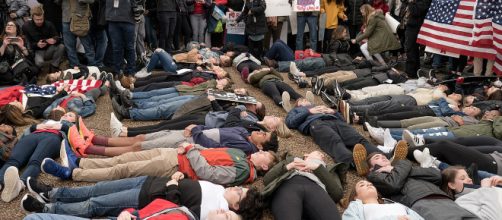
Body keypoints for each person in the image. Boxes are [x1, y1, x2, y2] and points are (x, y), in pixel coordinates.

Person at [21, 172, 264, 219]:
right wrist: (178, 178)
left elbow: (177, 210)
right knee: (97, 188)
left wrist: (171, 187)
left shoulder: (217, 211)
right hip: (150, 182)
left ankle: (47, 211)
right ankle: (53, 193)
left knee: (95, 205)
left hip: (146, 199)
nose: (237, 188)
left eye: (240, 194)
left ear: (238, 207)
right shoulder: (221, 192)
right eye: (240, 187)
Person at [41, 142, 278, 186]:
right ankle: (82, 161)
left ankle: (72, 174)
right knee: (124, 159)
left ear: (264, 167)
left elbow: (208, 173)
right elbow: (211, 151)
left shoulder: (244, 171)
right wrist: (192, 147)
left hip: (177, 166)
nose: (260, 152)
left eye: (264, 156)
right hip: (176, 153)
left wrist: (191, 149)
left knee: (124, 170)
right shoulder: (241, 154)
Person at [362, 151, 479, 220]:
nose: (382, 157)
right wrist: (403, 164)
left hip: (446, 199)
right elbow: (393, 184)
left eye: (384, 156)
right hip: (422, 201)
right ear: (371, 167)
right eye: (377, 158)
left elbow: (437, 176)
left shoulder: (400, 168)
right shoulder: (374, 175)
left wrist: (395, 168)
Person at [0, 112, 76, 202]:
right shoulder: (47, 121)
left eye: (70, 115)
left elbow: (75, 137)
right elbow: (24, 133)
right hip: (33, 136)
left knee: (35, 161)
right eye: (65, 114)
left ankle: (19, 185)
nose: (66, 115)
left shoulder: (71, 126)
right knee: (13, 160)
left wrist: (63, 127)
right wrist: (34, 127)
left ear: (74, 121)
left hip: (53, 137)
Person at [263, 151, 347, 220]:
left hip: (316, 190)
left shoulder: (329, 171)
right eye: (318, 153)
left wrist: (317, 168)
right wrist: (291, 166)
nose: (323, 155)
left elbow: (337, 194)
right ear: (306, 155)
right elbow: (267, 179)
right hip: (289, 185)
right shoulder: (291, 160)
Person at [342, 180, 424, 219]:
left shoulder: (396, 204)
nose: (368, 185)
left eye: (370, 184)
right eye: (362, 185)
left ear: (377, 195)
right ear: (355, 197)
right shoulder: (355, 208)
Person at [22, 5, 65, 71]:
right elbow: (27, 44)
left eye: (41, 19)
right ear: (32, 17)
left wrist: (54, 40)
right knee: (39, 63)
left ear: (43, 16)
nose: (39, 21)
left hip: (49, 48)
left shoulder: (49, 24)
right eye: (37, 20)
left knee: (61, 46)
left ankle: (54, 66)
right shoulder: (26, 26)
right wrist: (37, 45)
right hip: (37, 51)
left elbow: (58, 37)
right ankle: (38, 68)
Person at [0, 85, 69, 125]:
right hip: (51, 98)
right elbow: (46, 104)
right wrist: (63, 92)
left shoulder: (27, 111)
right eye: (15, 102)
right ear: (18, 110)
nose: (15, 100)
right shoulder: (31, 111)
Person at [105, 0, 136, 86]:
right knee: (116, 48)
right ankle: (117, 72)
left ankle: (130, 72)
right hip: (112, 18)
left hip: (128, 18)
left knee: (129, 47)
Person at [61, 0, 96, 68]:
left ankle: (93, 68)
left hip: (81, 18)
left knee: (88, 46)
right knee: (69, 47)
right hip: (67, 19)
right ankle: (75, 68)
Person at [0, 20, 33, 85]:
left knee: (33, 69)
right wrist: (3, 45)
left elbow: (30, 56)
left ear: (16, 29)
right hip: (6, 66)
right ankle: (21, 81)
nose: (9, 26)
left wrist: (22, 47)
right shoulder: (1, 40)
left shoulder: (23, 39)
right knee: (8, 76)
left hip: (21, 63)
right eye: (7, 25)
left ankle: (19, 81)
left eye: (11, 25)